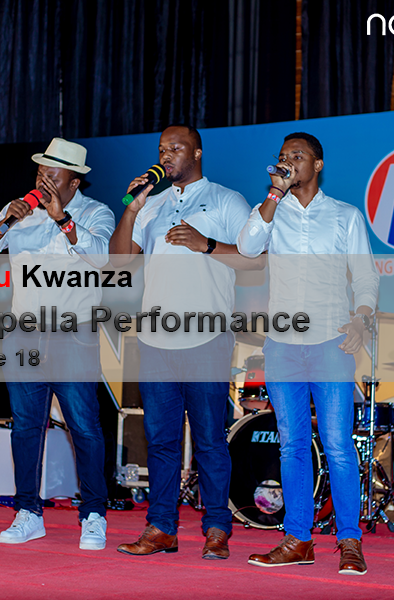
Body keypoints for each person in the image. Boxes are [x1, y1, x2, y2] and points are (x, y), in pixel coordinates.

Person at [237, 132, 378, 574]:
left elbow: (366, 277)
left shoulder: (344, 215)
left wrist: (361, 318)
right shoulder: (270, 211)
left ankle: (350, 541)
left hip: (331, 343)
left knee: (337, 445)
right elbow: (246, 246)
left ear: (317, 165)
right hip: (282, 345)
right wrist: (273, 196)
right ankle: (298, 539)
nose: (288, 161)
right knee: (292, 445)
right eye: (282, 156)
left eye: (297, 156)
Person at [110, 125, 251, 559]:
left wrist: (206, 245)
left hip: (207, 337)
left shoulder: (226, 200)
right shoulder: (150, 204)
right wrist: (132, 209)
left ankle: (217, 528)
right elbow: (118, 262)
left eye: (176, 148)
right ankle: (161, 528)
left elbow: (256, 262)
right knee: (161, 441)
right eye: (161, 149)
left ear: (198, 152)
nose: (166, 155)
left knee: (209, 440)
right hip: (155, 340)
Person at [0, 138, 115, 550]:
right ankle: (28, 513)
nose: (43, 182)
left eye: (53, 177)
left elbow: (101, 257)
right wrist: (5, 222)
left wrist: (62, 219)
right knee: (25, 426)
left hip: (73, 334)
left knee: (84, 426)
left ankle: (93, 515)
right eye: (40, 174)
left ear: (74, 182)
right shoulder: (19, 210)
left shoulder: (96, 213)